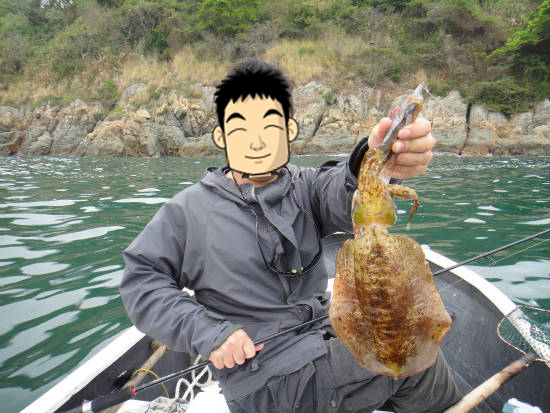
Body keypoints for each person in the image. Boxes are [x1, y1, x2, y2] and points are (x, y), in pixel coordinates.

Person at [120, 59, 461, 413]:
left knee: (410, 331)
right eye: (240, 129)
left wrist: (374, 158)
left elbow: (342, 190)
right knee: (412, 360)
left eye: (270, 127)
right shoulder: (190, 210)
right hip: (265, 380)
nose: (256, 142)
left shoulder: (304, 185)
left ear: (289, 130)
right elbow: (141, 280)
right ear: (221, 136)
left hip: (320, 336)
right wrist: (210, 333)